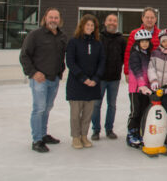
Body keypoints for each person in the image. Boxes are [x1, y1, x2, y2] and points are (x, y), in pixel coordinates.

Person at [20, 8, 68, 153]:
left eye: (56, 18)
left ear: (59, 20)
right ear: (45, 18)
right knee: (39, 108)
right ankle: (37, 140)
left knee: (47, 108)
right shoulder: (35, 35)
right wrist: (33, 73)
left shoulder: (62, 36)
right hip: (40, 79)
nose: (53, 20)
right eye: (51, 17)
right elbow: (24, 56)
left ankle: (43, 134)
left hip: (54, 78)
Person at [66, 14, 105, 149]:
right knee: (76, 114)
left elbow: (102, 62)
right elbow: (70, 62)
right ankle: (76, 137)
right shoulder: (73, 42)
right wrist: (83, 78)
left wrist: (95, 78)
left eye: (92, 25)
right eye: (87, 25)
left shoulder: (98, 43)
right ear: (82, 26)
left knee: (88, 114)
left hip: (93, 84)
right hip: (77, 84)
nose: (89, 27)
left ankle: (84, 135)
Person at [91, 13, 126, 141]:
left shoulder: (121, 39)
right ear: (105, 23)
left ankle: (109, 129)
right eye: (110, 20)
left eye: (115, 21)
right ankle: (96, 130)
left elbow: (123, 56)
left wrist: (119, 68)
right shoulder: (98, 38)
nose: (112, 23)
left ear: (117, 24)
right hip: (100, 78)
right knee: (96, 105)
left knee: (112, 105)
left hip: (114, 78)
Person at [126, 29, 155, 149]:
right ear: (137, 43)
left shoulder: (148, 55)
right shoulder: (134, 55)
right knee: (135, 111)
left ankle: (139, 132)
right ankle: (131, 133)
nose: (144, 44)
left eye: (146, 41)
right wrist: (142, 85)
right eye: (142, 42)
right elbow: (137, 71)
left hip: (146, 89)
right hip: (136, 89)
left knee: (144, 111)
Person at [123, 7, 160, 82]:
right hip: (138, 72)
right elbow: (128, 54)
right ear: (142, 18)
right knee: (137, 93)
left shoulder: (161, 35)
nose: (149, 20)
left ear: (156, 19)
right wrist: (127, 72)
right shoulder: (134, 34)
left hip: (155, 74)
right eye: (147, 17)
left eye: (152, 18)